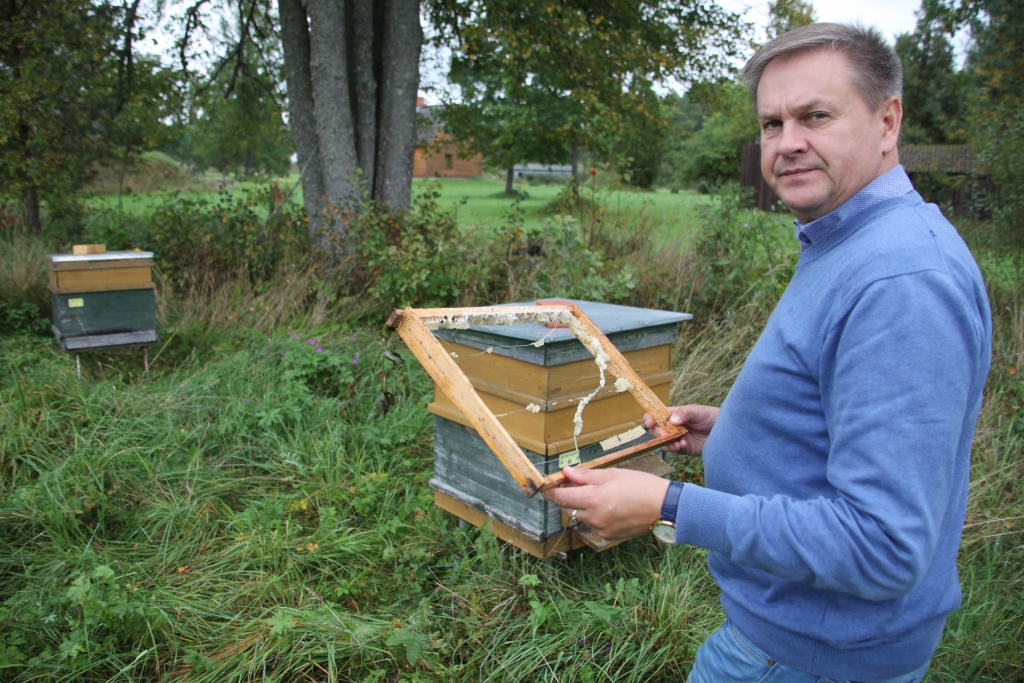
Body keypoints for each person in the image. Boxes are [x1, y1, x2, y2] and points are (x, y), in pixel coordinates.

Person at [543, 23, 991, 683]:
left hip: (808, 656)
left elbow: (885, 545)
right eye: (772, 123)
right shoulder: (849, 238)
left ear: (887, 119)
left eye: (815, 116)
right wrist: (739, 432)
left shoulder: (901, 280)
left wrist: (668, 506)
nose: (788, 144)